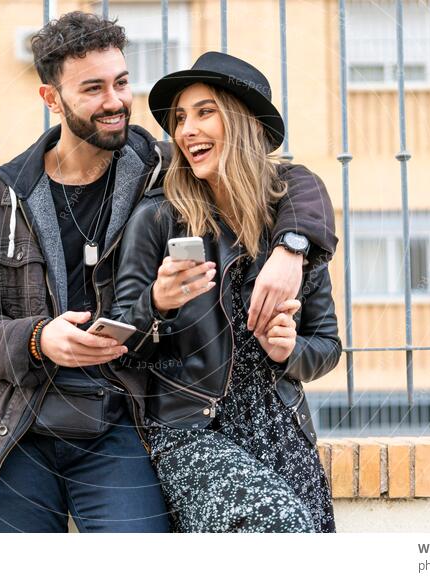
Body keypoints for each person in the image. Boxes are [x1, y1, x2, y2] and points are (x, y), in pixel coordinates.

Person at [0, 12, 335, 533]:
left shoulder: (160, 168)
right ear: (51, 98)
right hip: (17, 424)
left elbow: (280, 175)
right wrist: (39, 340)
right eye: (93, 88)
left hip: (117, 418)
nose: (114, 100)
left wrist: (291, 249)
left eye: (122, 82)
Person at [111, 51, 341, 532]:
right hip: (190, 428)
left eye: (204, 112)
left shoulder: (294, 229)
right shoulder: (156, 219)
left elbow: (327, 346)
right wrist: (158, 304)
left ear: (242, 123)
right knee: (279, 528)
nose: (186, 130)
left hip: (279, 425)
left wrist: (289, 350)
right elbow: (119, 347)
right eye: (180, 118)